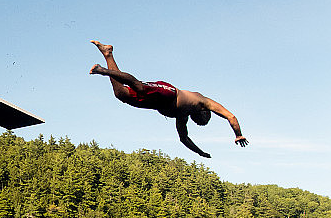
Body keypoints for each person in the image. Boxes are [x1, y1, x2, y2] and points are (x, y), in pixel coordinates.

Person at [89, 40, 248, 158]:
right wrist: (238, 134)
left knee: (121, 94)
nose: (197, 120)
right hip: (169, 93)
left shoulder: (182, 115)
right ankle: (103, 71)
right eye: (202, 119)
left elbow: (184, 138)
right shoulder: (203, 102)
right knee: (138, 86)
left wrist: (201, 153)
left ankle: (108, 54)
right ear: (205, 112)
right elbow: (230, 116)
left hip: (156, 103)